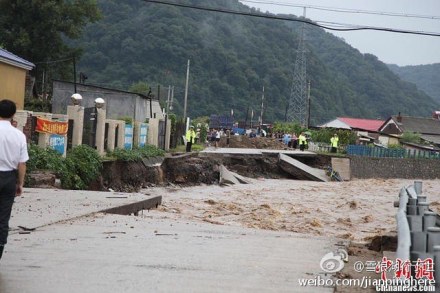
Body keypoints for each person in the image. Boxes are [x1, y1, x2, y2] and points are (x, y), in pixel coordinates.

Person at [0, 99, 29, 260]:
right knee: (3, 218)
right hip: (9, 179)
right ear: (13, 115)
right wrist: (20, 183)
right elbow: (22, 163)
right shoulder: (18, 135)